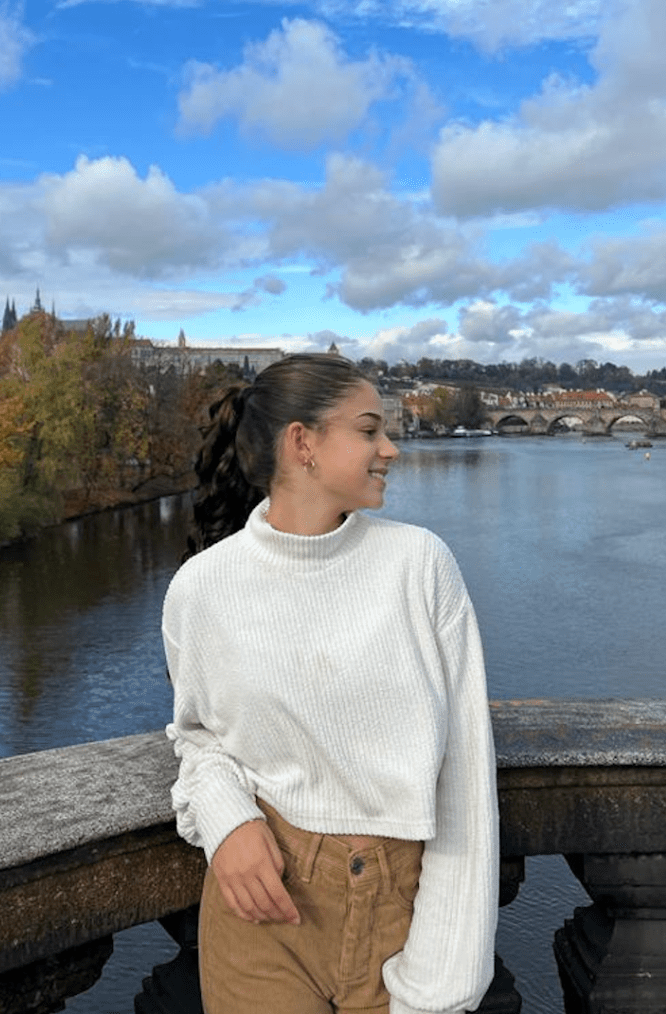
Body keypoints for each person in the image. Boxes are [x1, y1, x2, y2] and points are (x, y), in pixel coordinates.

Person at [162, 353, 498, 1014]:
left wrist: (444, 983)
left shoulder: (418, 565)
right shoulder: (201, 588)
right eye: (369, 430)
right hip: (261, 912)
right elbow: (198, 739)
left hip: (399, 906)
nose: (390, 448)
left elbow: (464, 772)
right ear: (302, 443)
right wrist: (228, 823)